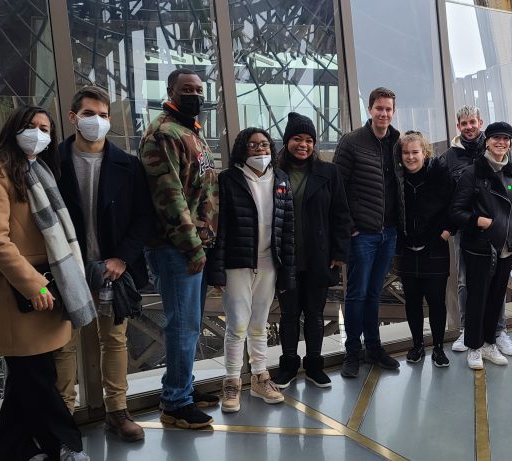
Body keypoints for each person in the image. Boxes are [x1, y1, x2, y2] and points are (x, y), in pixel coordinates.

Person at [0, 105, 95, 460]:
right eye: (31, 126)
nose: (38, 134)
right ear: (14, 128)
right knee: (38, 377)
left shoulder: (37, 169)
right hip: (18, 292)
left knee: (24, 379)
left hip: (45, 286)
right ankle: (65, 447)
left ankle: (13, 451)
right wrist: (33, 285)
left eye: (45, 128)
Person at [54, 86, 153, 442]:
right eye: (89, 114)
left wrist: (122, 257)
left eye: (103, 115)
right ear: (73, 117)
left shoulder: (128, 165)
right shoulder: (53, 163)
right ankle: (63, 416)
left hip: (112, 270)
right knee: (63, 344)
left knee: (114, 339)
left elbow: (144, 217)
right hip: (67, 268)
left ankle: (117, 411)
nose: (97, 121)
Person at [139, 68, 220, 429]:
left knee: (190, 324)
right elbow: (169, 198)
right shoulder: (164, 134)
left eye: (199, 89)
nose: (195, 95)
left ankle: (181, 386)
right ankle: (175, 402)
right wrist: (193, 247)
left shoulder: (190, 131)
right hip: (177, 248)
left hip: (195, 244)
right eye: (187, 89)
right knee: (182, 326)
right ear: (171, 91)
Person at [206, 127, 295, 410]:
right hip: (238, 264)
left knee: (259, 324)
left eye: (264, 144)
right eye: (253, 145)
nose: (260, 150)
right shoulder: (228, 179)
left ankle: (260, 378)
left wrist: (287, 271)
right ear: (242, 149)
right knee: (237, 326)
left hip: (269, 263)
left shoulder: (281, 180)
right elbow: (220, 229)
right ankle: (232, 382)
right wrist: (217, 270)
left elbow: (288, 230)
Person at [273, 112, 352, 388]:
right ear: (287, 141)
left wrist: (339, 253)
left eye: (309, 140)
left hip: (319, 256)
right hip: (286, 258)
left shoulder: (329, 173)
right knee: (289, 315)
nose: (303, 145)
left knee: (316, 314)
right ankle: (288, 366)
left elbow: (341, 214)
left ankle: (315, 365)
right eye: (297, 138)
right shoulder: (274, 174)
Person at [334, 87, 402, 378]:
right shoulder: (352, 142)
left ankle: (373, 347)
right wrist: (350, 227)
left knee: (375, 293)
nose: (383, 114)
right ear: (369, 109)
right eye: (379, 108)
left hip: (389, 232)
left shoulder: (398, 142)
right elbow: (337, 187)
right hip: (362, 234)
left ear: (393, 112)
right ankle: (352, 352)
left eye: (388, 109)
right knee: (357, 294)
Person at [449, 122, 512, 370]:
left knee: (496, 298)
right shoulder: (473, 172)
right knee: (477, 299)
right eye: (496, 138)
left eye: (506, 139)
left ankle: (489, 344)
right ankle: (474, 347)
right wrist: (478, 221)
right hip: (480, 247)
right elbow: (456, 212)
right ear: (487, 141)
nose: (501, 143)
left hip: (506, 247)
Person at [438, 106, 512, 357]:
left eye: (472, 122)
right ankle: (467, 330)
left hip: (495, 228)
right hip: (467, 228)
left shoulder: (495, 146)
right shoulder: (449, 157)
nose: (469, 127)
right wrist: (449, 226)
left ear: (480, 122)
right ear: (458, 126)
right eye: (464, 123)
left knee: (497, 283)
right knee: (465, 281)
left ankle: (498, 330)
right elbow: (446, 197)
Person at [393, 131, 453, 366]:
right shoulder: (397, 179)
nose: (410, 157)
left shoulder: (439, 174)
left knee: (437, 301)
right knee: (412, 301)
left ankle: (438, 347)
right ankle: (417, 345)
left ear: (424, 153)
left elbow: (455, 203)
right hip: (407, 249)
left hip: (434, 247)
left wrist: (447, 231)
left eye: (415, 152)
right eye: (406, 153)